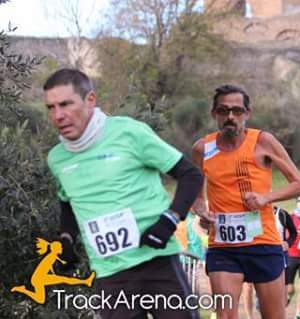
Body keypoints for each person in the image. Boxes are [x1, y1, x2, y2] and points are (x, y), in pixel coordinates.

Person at [43, 69, 204, 319]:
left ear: (90, 100)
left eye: (65, 104)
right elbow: (67, 203)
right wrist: (66, 239)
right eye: (51, 108)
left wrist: (169, 221)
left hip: (157, 262)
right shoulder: (57, 158)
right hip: (111, 275)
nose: (58, 115)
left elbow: (190, 175)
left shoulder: (129, 133)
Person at [191, 84, 300, 319]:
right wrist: (202, 213)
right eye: (223, 111)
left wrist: (266, 198)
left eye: (237, 111)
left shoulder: (263, 142)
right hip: (224, 248)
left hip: (263, 244)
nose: (230, 117)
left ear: (247, 113)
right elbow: (196, 196)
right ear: (214, 114)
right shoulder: (202, 148)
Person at [242, 206, 298, 318]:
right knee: (248, 287)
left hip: (278, 256)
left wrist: (288, 243)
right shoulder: (252, 213)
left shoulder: (281, 214)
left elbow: (293, 233)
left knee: (281, 293)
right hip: (255, 254)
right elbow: (249, 234)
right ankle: (249, 317)